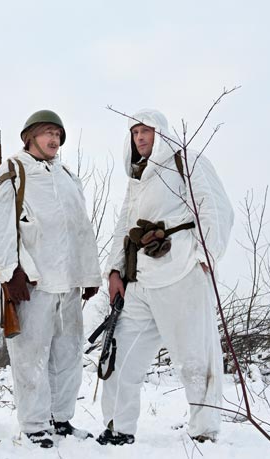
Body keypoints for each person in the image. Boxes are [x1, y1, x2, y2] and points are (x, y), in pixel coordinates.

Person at [97, 109, 233, 446]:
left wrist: (203, 256)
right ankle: (118, 426)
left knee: (194, 356)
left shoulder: (186, 161)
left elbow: (216, 207)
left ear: (161, 132)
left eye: (146, 131)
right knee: (121, 353)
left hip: (180, 272)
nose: (140, 138)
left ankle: (204, 429)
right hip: (140, 279)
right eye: (135, 133)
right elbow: (123, 226)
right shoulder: (137, 178)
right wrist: (115, 271)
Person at [0, 110, 102, 448]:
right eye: (48, 133)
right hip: (32, 284)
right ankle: (35, 425)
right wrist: (10, 273)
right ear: (29, 136)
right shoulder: (12, 172)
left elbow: (81, 227)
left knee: (69, 355)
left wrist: (89, 272)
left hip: (69, 283)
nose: (55, 140)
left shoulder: (67, 176)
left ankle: (60, 420)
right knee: (30, 357)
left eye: (59, 135)